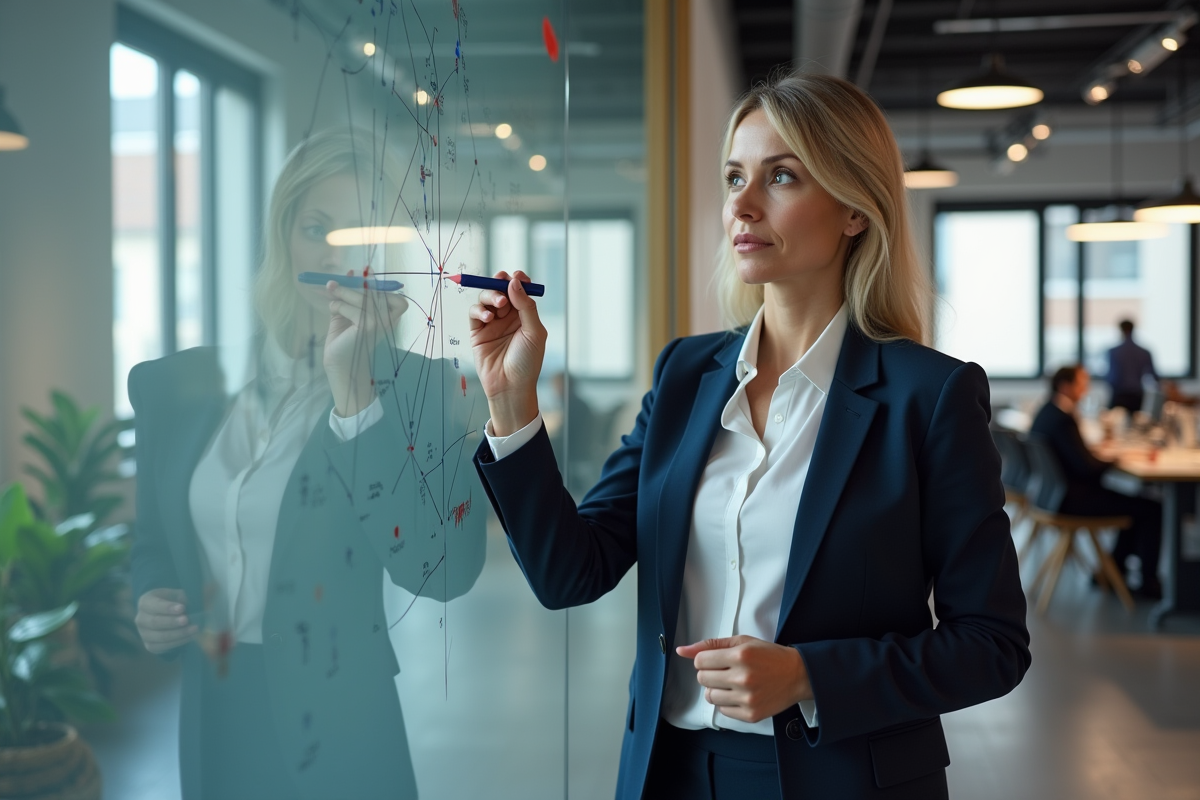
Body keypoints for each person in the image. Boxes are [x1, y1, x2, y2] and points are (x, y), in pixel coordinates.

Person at [468, 74, 1030, 799]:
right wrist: (513, 400)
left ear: (855, 209)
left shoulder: (930, 395)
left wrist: (808, 676)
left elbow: (992, 644)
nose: (742, 202)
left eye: (782, 176)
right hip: (670, 774)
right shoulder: (684, 376)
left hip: (844, 780)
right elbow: (570, 571)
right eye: (735, 176)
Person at [129, 131, 486, 800]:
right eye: (315, 227)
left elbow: (442, 572)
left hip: (343, 724)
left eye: (354, 234)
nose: (331, 253)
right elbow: (151, 544)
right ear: (281, 238)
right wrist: (148, 597)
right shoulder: (172, 387)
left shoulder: (422, 390)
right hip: (214, 715)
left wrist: (355, 396)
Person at [1030, 365, 1162, 599]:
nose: (1086, 389)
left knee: (1135, 504)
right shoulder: (1062, 418)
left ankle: (1113, 573)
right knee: (1150, 508)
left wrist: (1099, 456)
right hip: (1071, 500)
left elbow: (1077, 459)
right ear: (1065, 386)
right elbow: (1086, 468)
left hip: (1051, 496)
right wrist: (1113, 459)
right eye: (1082, 383)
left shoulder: (1048, 411)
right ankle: (1147, 584)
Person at [1107, 319, 1157, 414]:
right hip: (1137, 396)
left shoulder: (1113, 352)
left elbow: (1111, 377)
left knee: (1115, 422)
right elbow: (1154, 376)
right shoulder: (1145, 352)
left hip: (1119, 395)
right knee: (1137, 425)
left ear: (1121, 330)